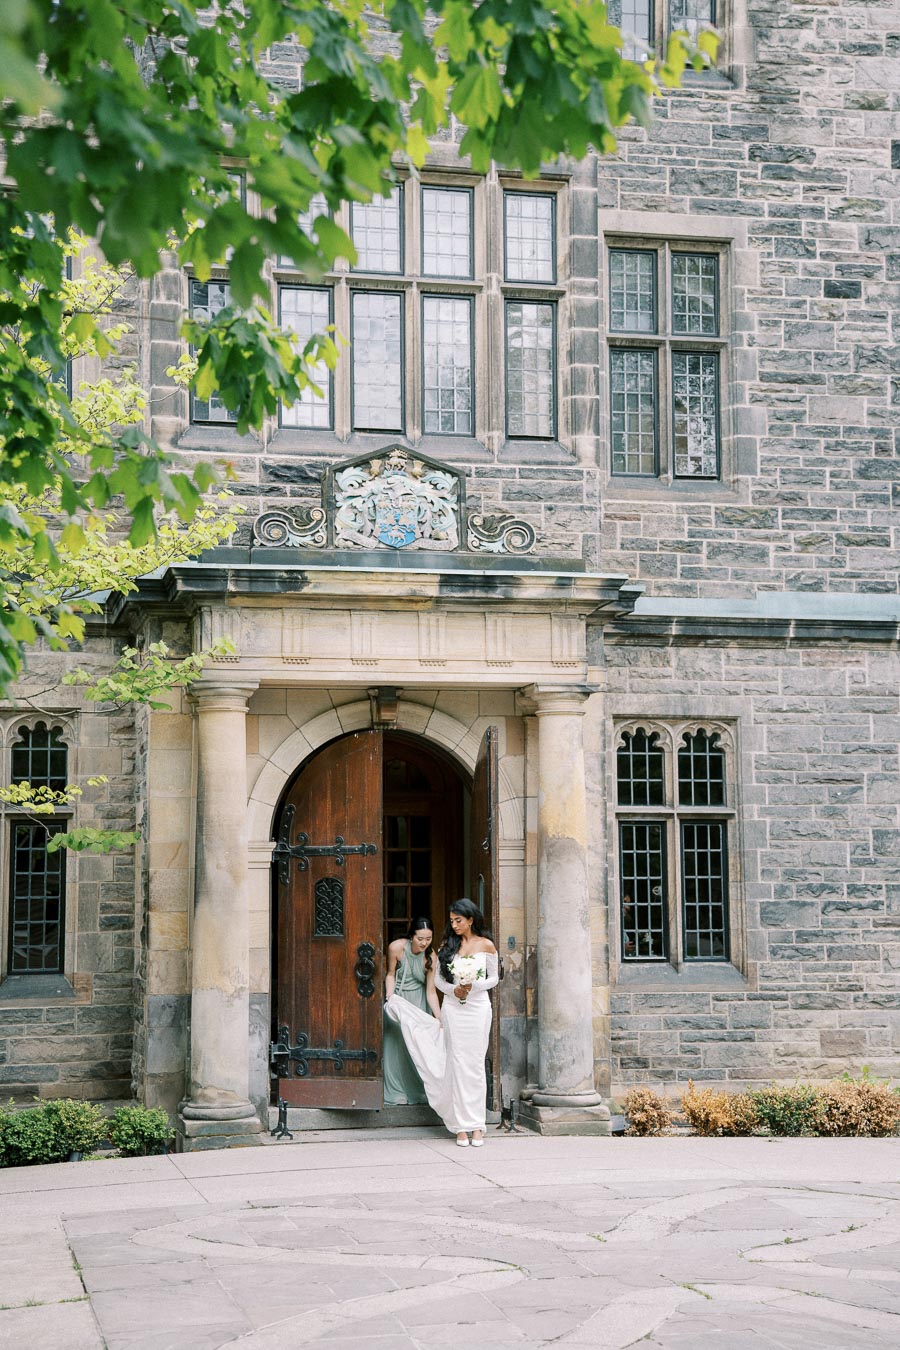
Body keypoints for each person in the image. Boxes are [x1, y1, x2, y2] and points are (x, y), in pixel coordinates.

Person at [434, 899, 499, 1148]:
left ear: (471, 919)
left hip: (478, 1007)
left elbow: (494, 978)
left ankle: (477, 1125)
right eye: (451, 921)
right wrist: (454, 990)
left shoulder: (487, 945)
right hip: (454, 1008)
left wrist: (473, 987)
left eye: (458, 920)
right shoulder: (447, 946)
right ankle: (461, 1127)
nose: (454, 925)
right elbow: (439, 981)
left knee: (474, 1063)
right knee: (458, 1063)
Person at [382, 917, 440, 1106]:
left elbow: (431, 991)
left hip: (418, 1004)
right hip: (399, 1002)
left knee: (417, 1047)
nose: (424, 943)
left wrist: (439, 1016)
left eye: (428, 939)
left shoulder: (431, 957)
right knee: (396, 1045)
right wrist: (390, 997)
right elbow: (390, 974)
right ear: (411, 936)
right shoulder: (396, 947)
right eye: (420, 938)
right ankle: (396, 1090)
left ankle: (417, 1090)